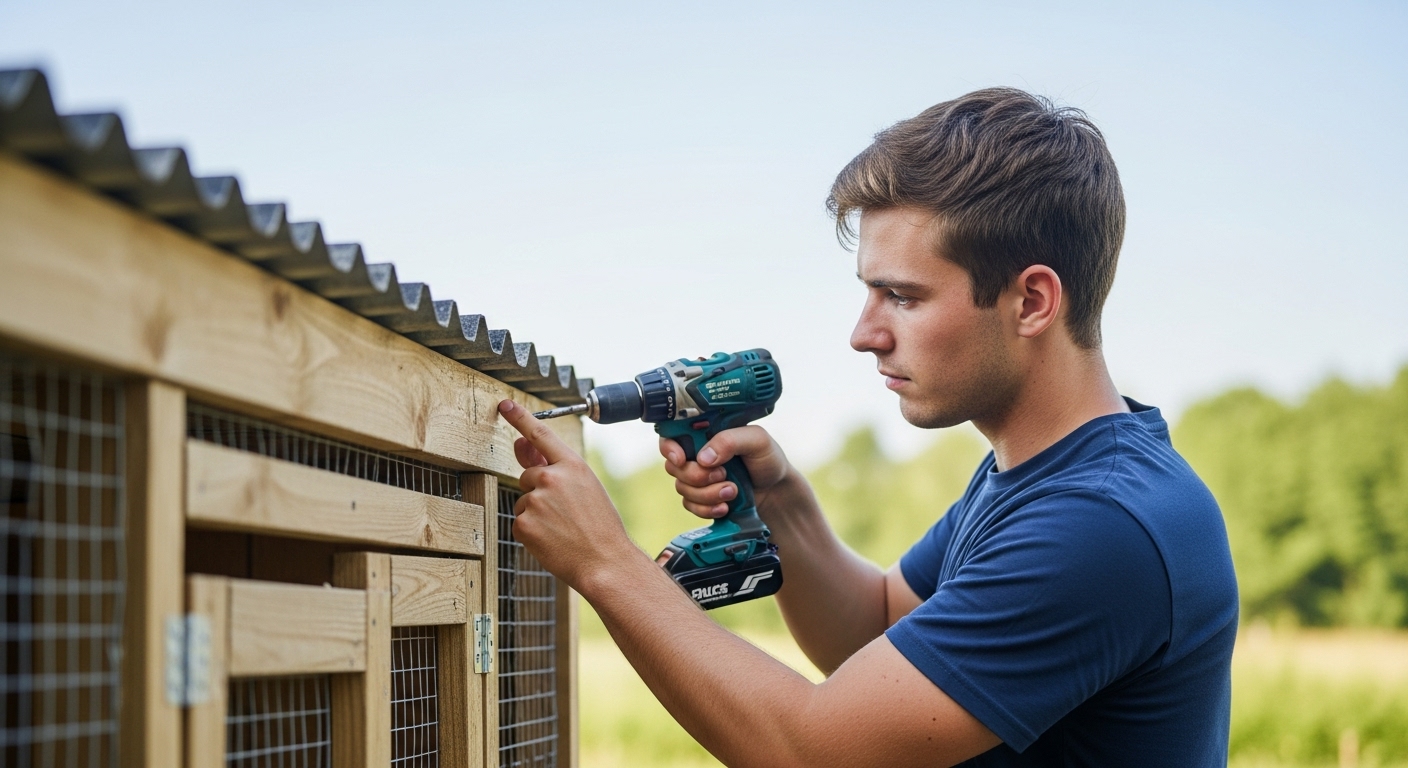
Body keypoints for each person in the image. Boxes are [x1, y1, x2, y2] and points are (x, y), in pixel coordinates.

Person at [496, 87, 1239, 767]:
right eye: (869, 293)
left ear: (1033, 302)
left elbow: (813, 751)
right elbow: (880, 627)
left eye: (903, 297)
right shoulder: (1037, 473)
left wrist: (605, 561)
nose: (864, 335)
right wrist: (779, 503)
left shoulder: (1098, 524)